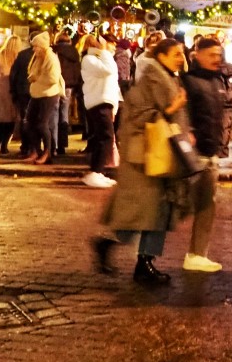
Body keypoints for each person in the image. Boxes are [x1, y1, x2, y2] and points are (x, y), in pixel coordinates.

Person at [94, 38, 192, 284]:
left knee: (154, 214)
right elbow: (138, 118)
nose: (181, 58)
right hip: (148, 160)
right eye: (176, 54)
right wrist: (171, 110)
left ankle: (129, 255)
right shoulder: (149, 82)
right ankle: (138, 260)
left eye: (182, 54)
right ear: (161, 57)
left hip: (162, 157)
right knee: (149, 213)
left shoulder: (168, 78)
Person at [181, 37, 228, 271]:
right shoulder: (188, 81)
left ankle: (197, 254)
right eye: (211, 55)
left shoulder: (218, 80)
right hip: (192, 155)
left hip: (211, 153)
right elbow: (182, 113)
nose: (217, 59)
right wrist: (188, 134)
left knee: (207, 205)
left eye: (219, 55)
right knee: (173, 206)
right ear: (197, 55)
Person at [80, 35, 121, 188]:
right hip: (98, 101)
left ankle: (98, 172)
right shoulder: (90, 59)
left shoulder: (102, 58)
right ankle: (95, 172)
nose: (114, 47)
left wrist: (114, 105)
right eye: (111, 44)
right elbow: (108, 71)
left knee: (103, 137)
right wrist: (104, 52)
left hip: (105, 101)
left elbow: (113, 83)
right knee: (105, 137)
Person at [25, 31, 64, 165]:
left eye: (36, 46)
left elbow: (53, 78)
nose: (34, 49)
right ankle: (36, 150)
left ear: (42, 47)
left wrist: (37, 79)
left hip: (48, 94)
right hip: (36, 94)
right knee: (29, 122)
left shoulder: (51, 58)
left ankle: (47, 153)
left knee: (42, 124)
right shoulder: (37, 58)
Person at [53, 31, 82, 156]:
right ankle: (62, 146)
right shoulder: (74, 53)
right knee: (64, 114)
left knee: (54, 114)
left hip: (55, 84)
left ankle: (53, 144)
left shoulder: (54, 51)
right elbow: (77, 70)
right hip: (69, 86)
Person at [9, 36, 34, 154]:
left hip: (23, 91)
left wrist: (13, 90)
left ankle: (25, 146)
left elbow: (14, 74)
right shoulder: (46, 55)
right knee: (36, 119)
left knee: (25, 118)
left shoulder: (22, 55)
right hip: (36, 92)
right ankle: (34, 146)